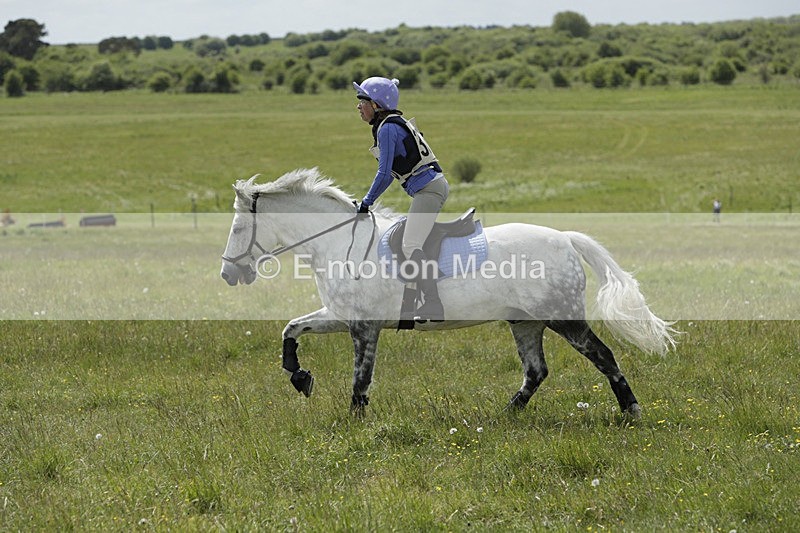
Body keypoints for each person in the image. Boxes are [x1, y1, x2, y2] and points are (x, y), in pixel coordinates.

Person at [353, 76, 449, 321]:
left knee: (410, 245)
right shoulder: (391, 124)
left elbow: (384, 174)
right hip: (429, 187)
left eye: (362, 101)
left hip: (428, 189)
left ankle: (433, 304)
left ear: (376, 104)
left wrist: (366, 203)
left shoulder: (387, 128)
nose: (358, 106)